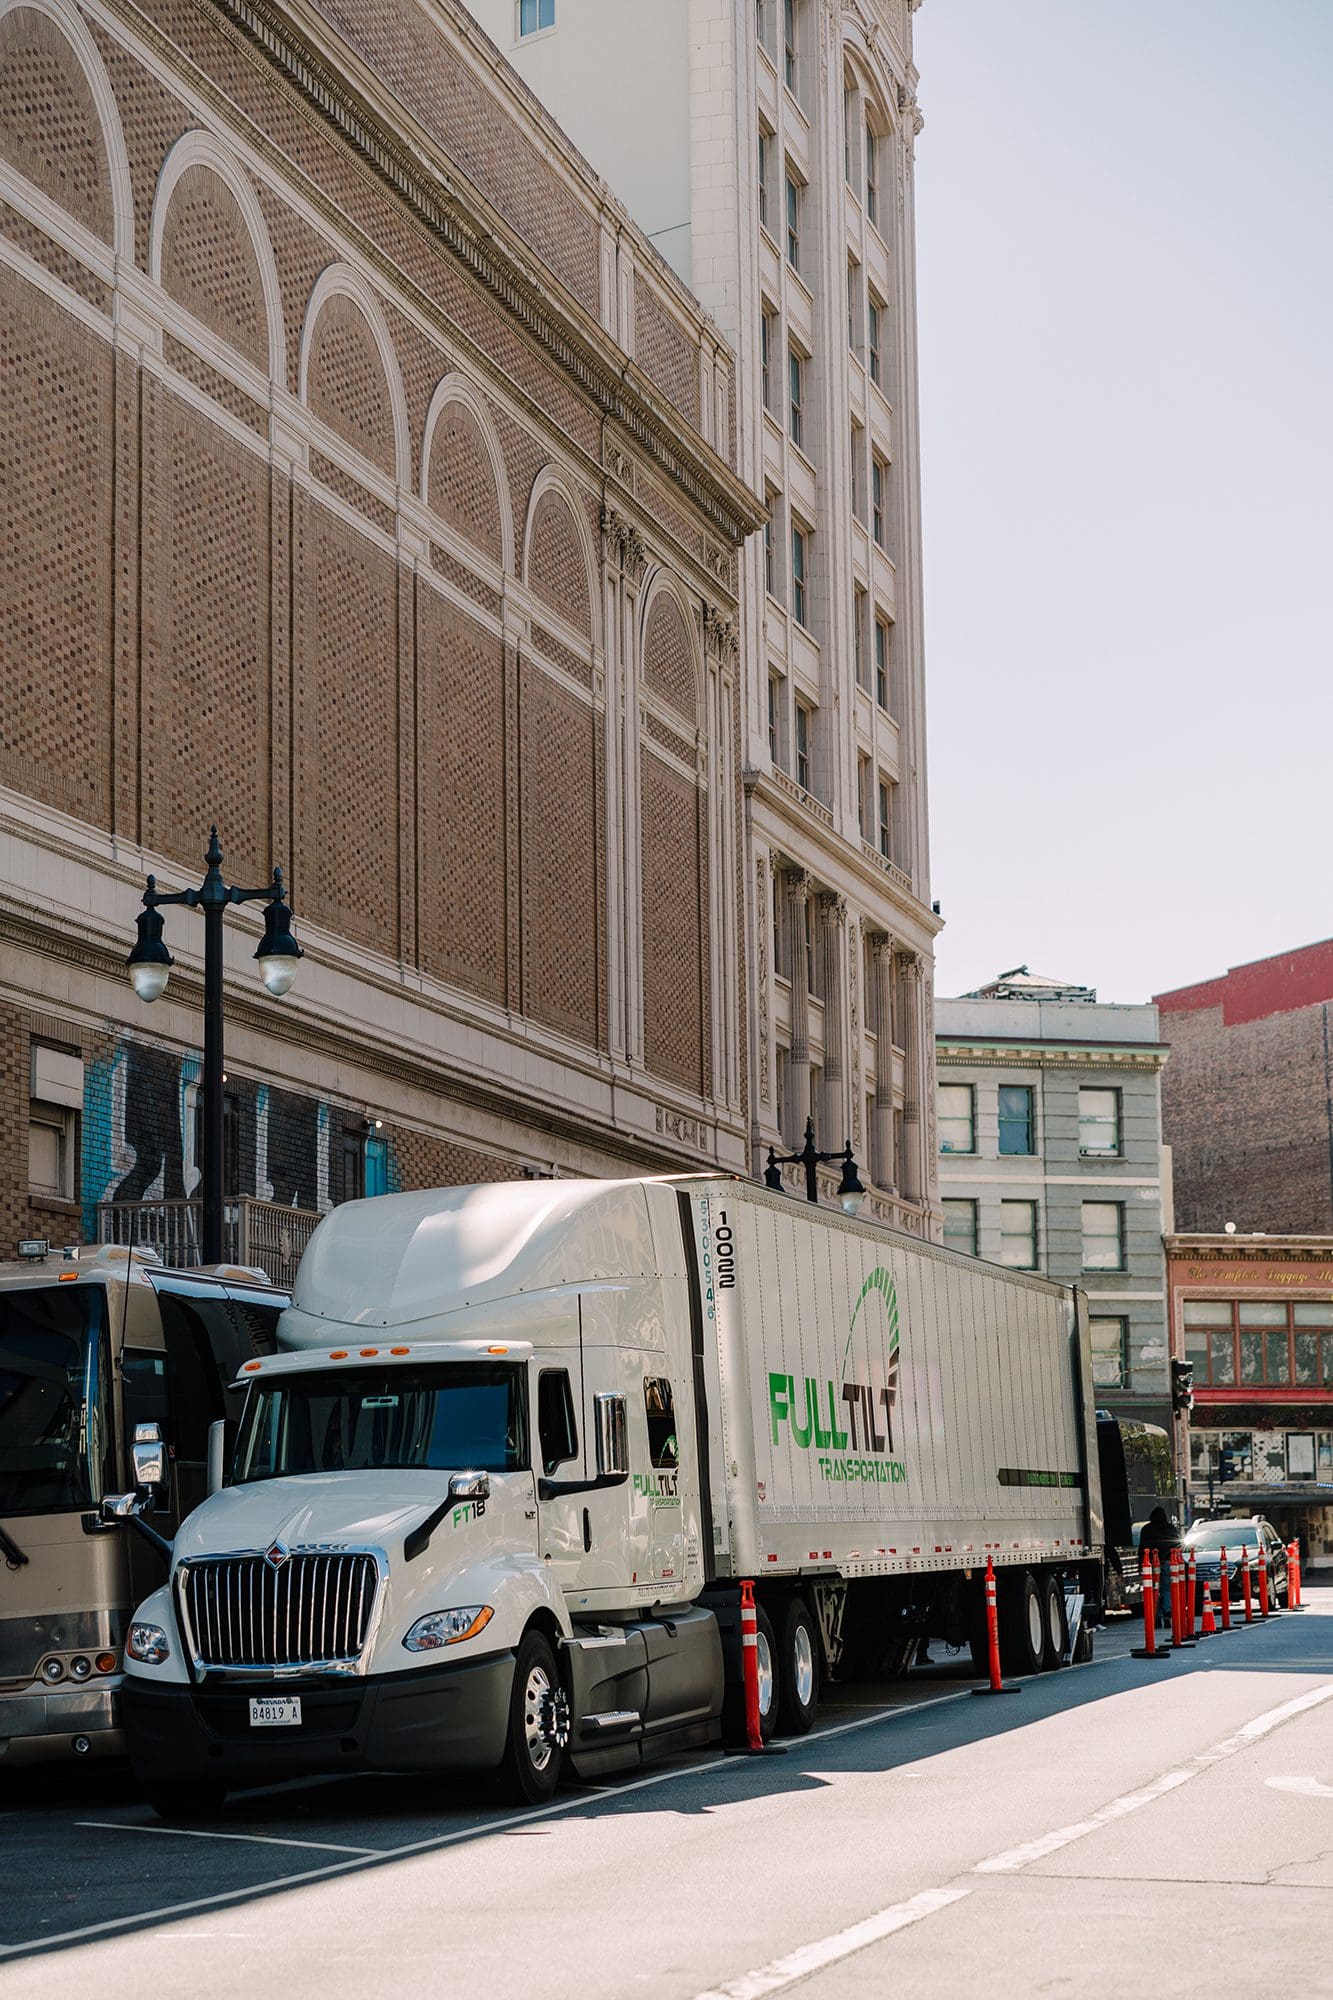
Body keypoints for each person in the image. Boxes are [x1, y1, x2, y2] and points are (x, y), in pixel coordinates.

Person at [1138, 1506, 1181, 1628]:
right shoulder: (1170, 1528)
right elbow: (1177, 1544)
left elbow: (1142, 1548)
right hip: (1168, 1563)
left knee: (1154, 1591)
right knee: (1167, 1590)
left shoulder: (1147, 1529)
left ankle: (1156, 1617)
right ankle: (1167, 1614)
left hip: (1151, 1564)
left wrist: (1140, 1565)